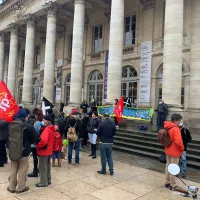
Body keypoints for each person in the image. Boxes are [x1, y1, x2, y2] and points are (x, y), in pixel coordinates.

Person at [7, 109, 37, 194]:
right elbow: (35, 139)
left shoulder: (10, 125)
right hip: (24, 151)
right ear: (25, 117)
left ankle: (11, 187)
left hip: (13, 150)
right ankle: (20, 187)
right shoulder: (28, 126)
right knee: (22, 169)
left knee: (13, 168)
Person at [164, 113, 184, 191]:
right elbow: (178, 141)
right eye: (179, 120)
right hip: (175, 151)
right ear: (175, 120)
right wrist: (182, 148)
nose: (180, 122)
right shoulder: (176, 129)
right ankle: (173, 184)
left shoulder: (167, 126)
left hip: (168, 149)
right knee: (174, 167)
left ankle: (167, 182)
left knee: (168, 165)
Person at [36, 115, 55, 187]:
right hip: (49, 150)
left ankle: (43, 182)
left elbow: (43, 141)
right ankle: (48, 180)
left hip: (44, 151)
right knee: (47, 166)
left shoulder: (47, 129)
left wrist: (38, 145)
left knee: (42, 167)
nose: (43, 121)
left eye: (44, 120)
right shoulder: (52, 128)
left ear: (48, 121)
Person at [28, 110, 44, 178]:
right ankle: (38, 169)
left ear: (36, 115)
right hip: (39, 142)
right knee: (38, 156)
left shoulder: (37, 123)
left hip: (34, 143)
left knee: (35, 157)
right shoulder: (41, 123)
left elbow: (33, 132)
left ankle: (35, 171)